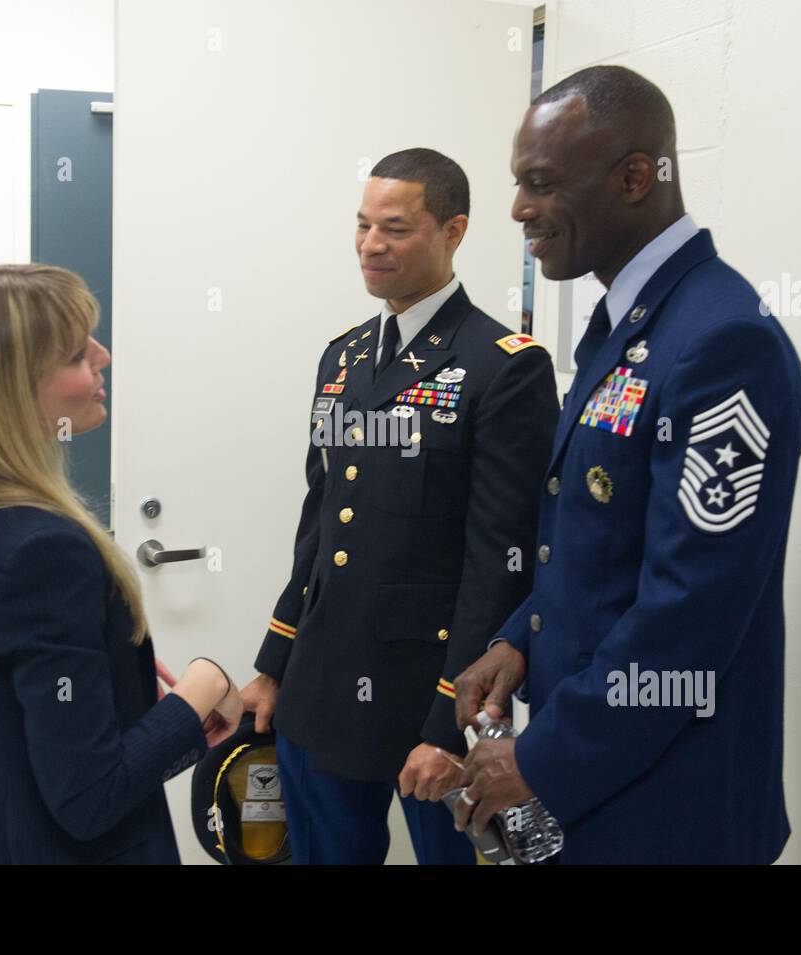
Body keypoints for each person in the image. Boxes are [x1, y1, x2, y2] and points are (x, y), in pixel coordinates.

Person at [453, 66, 801, 864]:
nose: (518, 209)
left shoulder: (721, 341)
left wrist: (541, 757)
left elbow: (691, 610)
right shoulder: (632, 325)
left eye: (540, 182)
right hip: (607, 789)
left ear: (635, 177)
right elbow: (601, 538)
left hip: (673, 811)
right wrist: (520, 639)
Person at [240, 148, 559, 864]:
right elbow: (321, 521)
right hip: (321, 685)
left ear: (454, 231)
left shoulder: (503, 366)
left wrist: (453, 721)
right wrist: (273, 661)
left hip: (427, 699)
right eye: (361, 226)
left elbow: (501, 559)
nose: (371, 245)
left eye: (395, 227)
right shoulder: (344, 357)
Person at [0, 264, 242, 864]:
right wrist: (204, 687)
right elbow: (91, 799)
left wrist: (94, 699)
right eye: (76, 353)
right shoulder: (44, 551)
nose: (103, 357)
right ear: (8, 388)